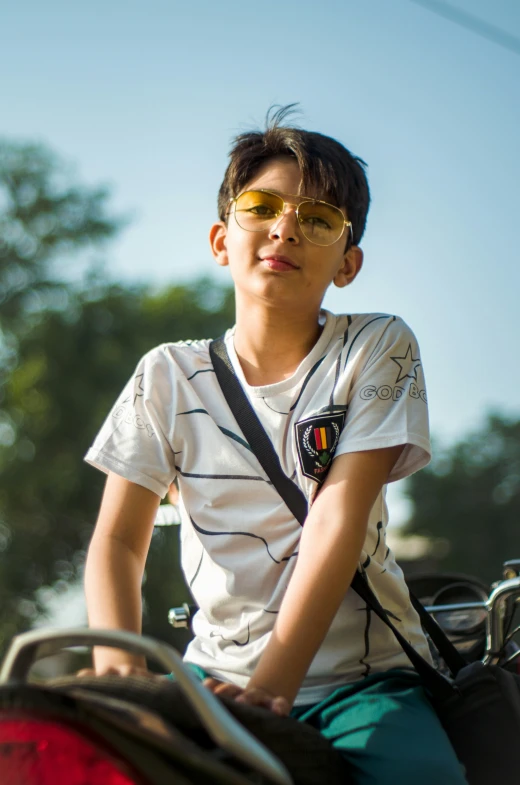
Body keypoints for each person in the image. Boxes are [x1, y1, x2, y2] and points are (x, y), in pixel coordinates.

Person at [83, 106, 467, 784]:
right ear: (220, 238)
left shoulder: (375, 346)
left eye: (317, 219)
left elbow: (337, 520)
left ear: (348, 263)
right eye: (261, 205)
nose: (286, 225)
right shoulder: (167, 375)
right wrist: (120, 668)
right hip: (210, 675)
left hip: (363, 680)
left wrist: (273, 686)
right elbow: (117, 541)